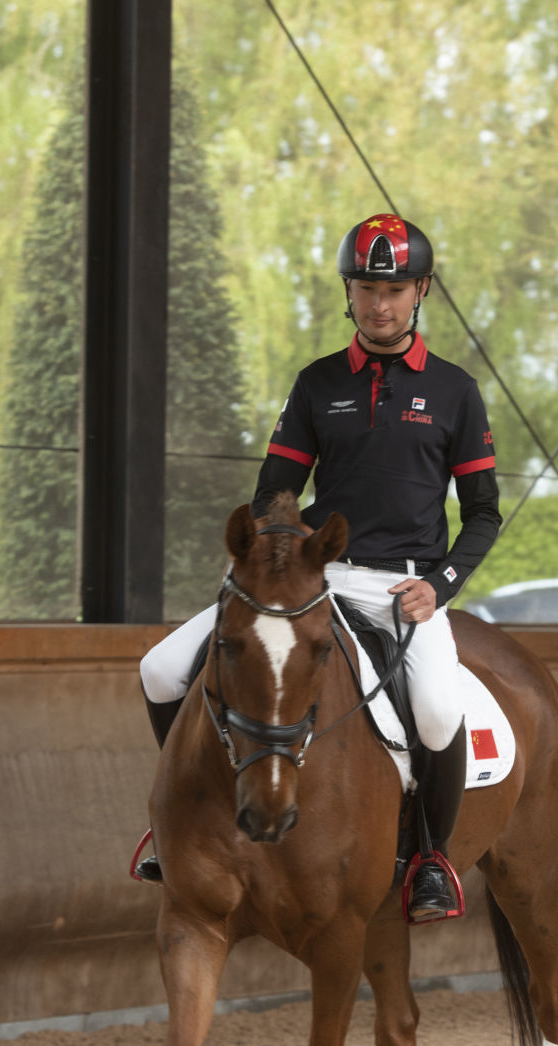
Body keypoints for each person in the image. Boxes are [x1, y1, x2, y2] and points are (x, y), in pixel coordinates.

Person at [137, 212, 501, 920]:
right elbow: (274, 491)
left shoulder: (456, 391)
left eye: (394, 288)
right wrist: (283, 555)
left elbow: (483, 511)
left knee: (434, 712)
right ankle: (177, 818)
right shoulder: (317, 383)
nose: (379, 303)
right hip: (315, 580)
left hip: (406, 587)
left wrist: (442, 586)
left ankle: (429, 859)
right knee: (157, 669)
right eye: (366, 287)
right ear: (350, 291)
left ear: (421, 290)